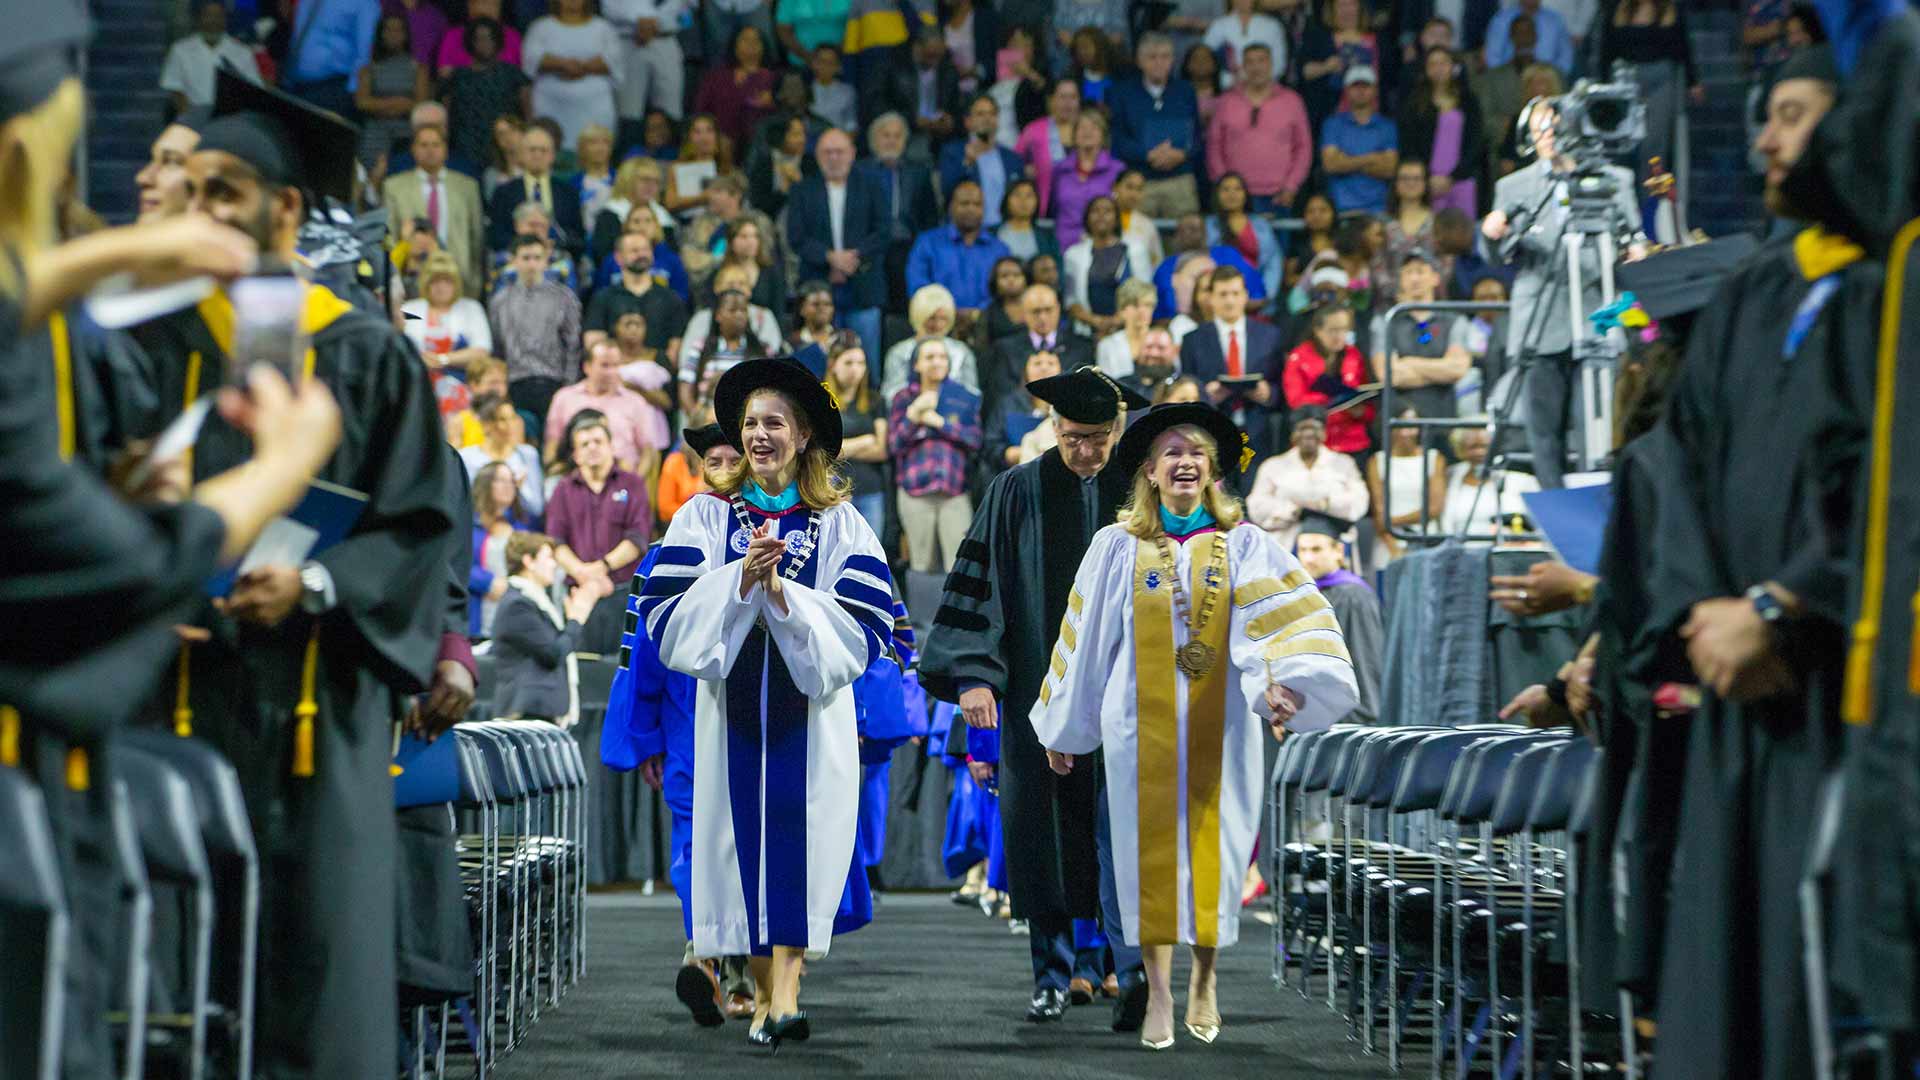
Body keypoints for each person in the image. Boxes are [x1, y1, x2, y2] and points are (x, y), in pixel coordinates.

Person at [124, 70, 457, 1080]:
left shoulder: (360, 354)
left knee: (310, 980)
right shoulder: (147, 343)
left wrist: (315, 587)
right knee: (165, 988)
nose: (201, 211)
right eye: (194, 188)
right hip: (168, 705)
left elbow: (419, 526)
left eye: (227, 191)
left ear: (287, 210)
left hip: (314, 720)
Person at [1033, 402, 1358, 1050]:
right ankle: (1157, 990)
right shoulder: (1115, 546)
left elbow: (1282, 627)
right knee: (1144, 855)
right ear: (1150, 471)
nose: (1184, 462)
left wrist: (1285, 686)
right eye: (1171, 453)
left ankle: (1204, 981)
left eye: (1196, 453)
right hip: (1136, 725)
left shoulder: (1247, 543)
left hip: (1223, 725)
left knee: (1217, 853)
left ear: (1212, 469)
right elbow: (1084, 641)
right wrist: (1064, 728)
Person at [637, 356, 892, 1049]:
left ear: (804, 434)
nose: (758, 435)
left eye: (774, 422)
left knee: (799, 847)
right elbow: (668, 620)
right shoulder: (703, 516)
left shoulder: (842, 525)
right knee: (738, 852)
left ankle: (784, 996)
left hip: (812, 720)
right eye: (749, 423)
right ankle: (764, 996)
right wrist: (740, 583)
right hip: (730, 716)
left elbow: (863, 631)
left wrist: (783, 594)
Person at [920, 367, 1153, 1028]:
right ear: (1054, 428)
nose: (1086, 451)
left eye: (1100, 438)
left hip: (1123, 699)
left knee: (1120, 833)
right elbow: (978, 585)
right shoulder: (1017, 490)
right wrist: (971, 675)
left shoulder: (1138, 494)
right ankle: (1051, 975)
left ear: (1119, 429)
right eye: (1075, 437)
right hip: (1034, 696)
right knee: (1042, 835)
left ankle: (1118, 967)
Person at [604, 421, 758, 1025]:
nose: (722, 469)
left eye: (733, 458)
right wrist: (644, 736)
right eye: (711, 460)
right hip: (685, 718)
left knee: (750, 843)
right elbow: (640, 650)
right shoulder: (670, 549)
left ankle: (743, 968)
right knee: (695, 842)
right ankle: (706, 957)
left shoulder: (782, 538)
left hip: (752, 716)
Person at [1479, 100, 1641, 488]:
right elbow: (1496, 256)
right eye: (1539, 131)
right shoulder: (1513, 186)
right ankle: (1554, 504)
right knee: (1544, 430)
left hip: (1599, 311)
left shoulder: (1614, 179)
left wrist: (1635, 251)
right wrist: (1490, 233)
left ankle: (1601, 500)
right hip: (1540, 318)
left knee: (1600, 423)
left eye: (1553, 128)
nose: (1547, 137)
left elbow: (1633, 238)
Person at [788, 128, 888, 364]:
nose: (834, 158)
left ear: (852, 153)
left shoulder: (871, 185)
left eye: (839, 152)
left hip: (863, 286)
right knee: (815, 365)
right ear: (818, 156)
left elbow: (884, 230)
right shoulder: (803, 190)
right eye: (827, 152)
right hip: (817, 285)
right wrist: (829, 257)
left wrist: (854, 256)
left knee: (864, 362)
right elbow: (796, 237)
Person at [890, 338, 984, 574]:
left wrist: (938, 422)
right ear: (916, 365)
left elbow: (975, 440)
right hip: (914, 491)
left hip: (954, 490)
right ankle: (922, 613)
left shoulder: (962, 397)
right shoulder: (903, 398)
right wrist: (914, 415)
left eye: (942, 357)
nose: (937, 362)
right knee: (921, 567)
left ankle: (955, 613)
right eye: (930, 357)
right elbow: (894, 444)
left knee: (961, 567)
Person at [492, 530, 598, 721]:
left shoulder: (537, 602)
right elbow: (552, 653)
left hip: (541, 711)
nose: (554, 564)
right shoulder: (518, 604)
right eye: (548, 557)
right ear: (529, 561)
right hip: (527, 713)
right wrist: (576, 619)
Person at [1180, 267, 1280, 467]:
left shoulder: (1270, 336)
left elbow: (1281, 384)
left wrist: (1269, 393)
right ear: (1211, 298)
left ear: (1245, 296)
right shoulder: (1193, 340)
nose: (1230, 301)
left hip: (1257, 429)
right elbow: (1186, 384)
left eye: (1235, 293)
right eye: (1223, 294)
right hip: (1212, 429)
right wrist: (1204, 395)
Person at [1292, 509, 1382, 724]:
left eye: (1316, 549)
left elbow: (1364, 664)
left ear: (1338, 551)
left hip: (1343, 722)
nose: (1308, 558)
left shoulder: (1354, 597)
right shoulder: (1302, 593)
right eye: (1302, 550)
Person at [1245, 404, 1371, 549]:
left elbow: (1360, 500)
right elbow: (1256, 506)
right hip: (1285, 542)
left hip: (1334, 541)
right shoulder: (1273, 466)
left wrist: (1325, 504)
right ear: (1293, 434)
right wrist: (1293, 510)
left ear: (1324, 433)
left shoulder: (1344, 463)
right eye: (1302, 428)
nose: (1308, 434)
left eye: (1315, 428)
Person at [1205, 44, 1310, 216]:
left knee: (1277, 244)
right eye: (1250, 62)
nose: (1256, 67)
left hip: (1280, 195)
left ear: (1271, 64)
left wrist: (1292, 185)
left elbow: (1303, 147)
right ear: (1243, 67)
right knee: (1234, 244)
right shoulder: (1226, 101)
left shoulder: (1292, 101)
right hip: (1235, 196)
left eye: (1261, 60)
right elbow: (1214, 146)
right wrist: (1223, 186)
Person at [489, 233, 582, 428]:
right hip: (514, 382)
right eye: (525, 258)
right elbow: (497, 347)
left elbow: (573, 345)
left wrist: (569, 387)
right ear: (513, 260)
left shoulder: (564, 297)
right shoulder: (500, 301)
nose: (531, 264)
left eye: (537, 258)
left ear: (546, 261)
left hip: (553, 381)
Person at [1370, 248, 1471, 426]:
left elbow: (1457, 369)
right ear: (1400, 280)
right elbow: (1389, 375)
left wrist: (1409, 362)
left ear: (1435, 278)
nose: (1414, 278)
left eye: (1421, 271)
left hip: (1443, 418)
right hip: (1398, 423)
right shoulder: (1385, 320)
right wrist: (1440, 369)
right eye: (1408, 272)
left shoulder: (1454, 320)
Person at [1107, 33, 1202, 219]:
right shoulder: (1122, 93)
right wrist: (1147, 154)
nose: (1159, 62)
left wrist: (1181, 153)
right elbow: (1117, 138)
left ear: (1173, 60)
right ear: (1140, 61)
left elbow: (1197, 135)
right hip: (1139, 181)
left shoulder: (1185, 91)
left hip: (1180, 180)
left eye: (1165, 56)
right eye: (1152, 57)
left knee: (1185, 240)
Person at [385, 123, 486, 294]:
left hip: (460, 278)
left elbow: (476, 238)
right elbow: (390, 235)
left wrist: (475, 283)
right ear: (413, 149)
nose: (430, 150)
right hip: (412, 279)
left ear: (445, 149)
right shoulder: (394, 187)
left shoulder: (467, 186)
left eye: (436, 145)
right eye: (423, 145)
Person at [546, 340, 669, 475]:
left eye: (616, 365)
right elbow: (552, 444)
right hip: (573, 483)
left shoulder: (636, 402)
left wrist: (634, 485)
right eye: (605, 365)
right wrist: (552, 474)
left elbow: (647, 451)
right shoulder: (564, 398)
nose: (611, 372)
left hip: (622, 481)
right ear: (587, 367)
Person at [906, 180, 1014, 324]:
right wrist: (948, 312)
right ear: (951, 207)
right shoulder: (927, 243)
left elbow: (1006, 291)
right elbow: (918, 287)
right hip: (938, 324)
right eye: (964, 203)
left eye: (977, 204)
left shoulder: (1000, 249)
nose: (971, 209)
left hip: (989, 326)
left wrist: (978, 314)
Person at [1399, 46, 1484, 220]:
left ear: (1453, 67)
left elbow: (1475, 140)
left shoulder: (1468, 100)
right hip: (1428, 181)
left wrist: (1454, 176)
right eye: (1433, 64)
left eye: (1443, 63)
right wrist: (1427, 177)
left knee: (1463, 231)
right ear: (1426, 69)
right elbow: (1409, 144)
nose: (1438, 68)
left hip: (1462, 178)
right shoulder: (1415, 103)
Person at [523, 0, 621, 150]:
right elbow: (531, 59)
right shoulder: (541, 27)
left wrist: (583, 68)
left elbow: (613, 59)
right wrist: (562, 64)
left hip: (595, 105)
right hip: (551, 105)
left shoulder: (603, 28)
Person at [985, 283, 1096, 408]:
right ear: (1024, 313)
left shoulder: (1082, 348)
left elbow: (1087, 395)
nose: (1043, 317)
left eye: (1048, 310)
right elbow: (1001, 397)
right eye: (1036, 311)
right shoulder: (1004, 349)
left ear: (1058, 309)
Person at [585, 230, 689, 361]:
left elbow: (676, 348)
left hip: (660, 375)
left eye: (646, 249)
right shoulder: (603, 298)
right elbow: (593, 344)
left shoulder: (671, 299)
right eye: (634, 251)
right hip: (616, 373)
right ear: (618, 258)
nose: (642, 254)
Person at [822, 334, 889, 537]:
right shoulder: (821, 401)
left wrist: (840, 448)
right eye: (848, 362)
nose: (855, 369)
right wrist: (865, 441)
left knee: (869, 556)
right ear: (833, 364)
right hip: (831, 490)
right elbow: (820, 451)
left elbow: (882, 450)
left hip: (870, 489)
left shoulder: (875, 400)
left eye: (860, 363)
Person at [487, 122, 587, 254]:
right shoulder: (504, 192)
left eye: (543, 150)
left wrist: (555, 244)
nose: (537, 155)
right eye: (532, 150)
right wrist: (524, 247)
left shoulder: (568, 193)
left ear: (553, 156)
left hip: (558, 260)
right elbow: (495, 236)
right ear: (521, 154)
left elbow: (578, 237)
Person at [1063, 195, 1153, 339]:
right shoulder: (1073, 254)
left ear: (1117, 218)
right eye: (1095, 211)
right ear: (1086, 218)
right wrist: (1095, 321)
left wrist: (1117, 320)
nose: (1101, 216)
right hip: (1087, 332)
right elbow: (1071, 300)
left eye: (1108, 211)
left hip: (1128, 331)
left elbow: (1145, 293)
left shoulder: (1136, 250)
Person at [1366, 406, 1445, 564]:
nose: (1405, 432)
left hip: (1426, 539)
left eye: (1411, 425)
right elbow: (1379, 514)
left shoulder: (1434, 458)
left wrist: (1392, 521)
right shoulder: (1377, 461)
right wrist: (1395, 549)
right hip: (1388, 542)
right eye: (1400, 426)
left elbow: (1434, 509)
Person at [882, 283, 984, 400]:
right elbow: (890, 395)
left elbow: (973, 394)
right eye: (932, 318)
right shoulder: (899, 353)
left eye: (943, 318)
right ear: (919, 316)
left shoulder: (962, 351)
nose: (938, 324)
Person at [939, 95, 1027, 229]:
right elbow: (947, 192)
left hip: (1004, 231)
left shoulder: (1012, 159)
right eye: (980, 114)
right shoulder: (953, 153)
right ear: (968, 121)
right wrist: (967, 164)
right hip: (967, 233)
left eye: (992, 114)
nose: (987, 118)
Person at [161, 0, 263, 114]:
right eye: (208, 15)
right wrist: (190, 120)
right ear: (198, 18)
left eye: (218, 16)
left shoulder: (243, 53)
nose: (213, 21)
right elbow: (175, 90)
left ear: (225, 19)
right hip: (193, 118)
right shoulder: (180, 50)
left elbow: (253, 90)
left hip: (231, 120)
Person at [602, 0, 688, 135]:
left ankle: (670, 153)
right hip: (630, 39)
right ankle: (629, 152)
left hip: (665, 38)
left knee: (671, 109)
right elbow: (609, 7)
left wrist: (655, 20)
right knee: (628, 111)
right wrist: (640, 20)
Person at [1321, 65, 1398, 215]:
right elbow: (1330, 165)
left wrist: (1347, 161)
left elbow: (1389, 169)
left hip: (1379, 209)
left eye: (1366, 86)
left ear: (1375, 90)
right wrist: (1372, 158)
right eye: (1355, 86)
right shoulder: (1333, 124)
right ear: (1346, 90)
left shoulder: (1387, 126)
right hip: (1340, 208)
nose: (1361, 91)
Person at [1439, 420, 1538, 537]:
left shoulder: (1519, 477)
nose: (1480, 452)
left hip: (1507, 549)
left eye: (1485, 446)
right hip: (1461, 550)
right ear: (1460, 449)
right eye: (1473, 447)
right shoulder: (1451, 475)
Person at [355, 13, 428, 168]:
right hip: (375, 134)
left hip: (407, 133)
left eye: (398, 30)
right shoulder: (368, 69)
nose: (393, 34)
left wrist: (379, 105)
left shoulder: (418, 69)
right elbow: (362, 103)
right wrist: (400, 102)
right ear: (380, 34)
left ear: (406, 35)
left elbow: (421, 105)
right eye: (388, 29)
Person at [461, 392, 548, 520]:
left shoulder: (528, 454)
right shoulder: (467, 458)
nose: (510, 426)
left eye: (512, 418)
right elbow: (465, 508)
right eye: (502, 420)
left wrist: (520, 489)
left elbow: (537, 508)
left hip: (520, 530)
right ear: (486, 425)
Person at [1050, 110, 1125, 251]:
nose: (1087, 132)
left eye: (1094, 127)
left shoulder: (1117, 170)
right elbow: (1053, 207)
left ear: (1103, 135)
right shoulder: (1060, 170)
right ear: (1074, 135)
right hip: (1064, 244)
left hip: (1104, 244)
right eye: (1082, 127)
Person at [695, 24, 777, 151]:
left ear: (764, 46)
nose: (751, 45)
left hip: (759, 145)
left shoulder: (773, 79)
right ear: (734, 46)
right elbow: (701, 111)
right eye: (745, 40)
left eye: (756, 41)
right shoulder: (716, 77)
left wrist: (771, 102)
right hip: (718, 143)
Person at [1205, 172, 1283, 303]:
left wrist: (1266, 297)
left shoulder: (1261, 225)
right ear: (1217, 195)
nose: (1231, 194)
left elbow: (1273, 264)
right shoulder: (1208, 225)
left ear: (1245, 194)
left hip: (1257, 298)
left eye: (1237, 189)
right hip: (1219, 297)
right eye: (1225, 189)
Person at [1015, 77, 1081, 218]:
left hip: (1082, 209)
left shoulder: (1088, 130)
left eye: (1073, 97)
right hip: (1046, 210)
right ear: (1051, 101)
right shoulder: (1033, 130)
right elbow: (1014, 162)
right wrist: (1025, 169)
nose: (1068, 103)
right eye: (1062, 97)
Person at [662, 113, 737, 216]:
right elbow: (670, 203)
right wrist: (702, 198)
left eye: (709, 131)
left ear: (717, 136)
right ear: (689, 137)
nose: (704, 137)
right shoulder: (676, 168)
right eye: (697, 132)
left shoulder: (727, 169)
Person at [1205, 0, 1288, 86]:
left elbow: (1279, 62)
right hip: (1226, 86)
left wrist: (1260, 80)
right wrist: (1227, 80)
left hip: (1265, 86)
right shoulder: (1218, 25)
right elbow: (1206, 58)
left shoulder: (1272, 25)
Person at [1483, 0, 1574, 77]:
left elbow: (1565, 55)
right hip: (1510, 76)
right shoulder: (1502, 19)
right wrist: (1502, 76)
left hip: (1547, 78)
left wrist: (1555, 76)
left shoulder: (1554, 19)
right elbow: (1492, 55)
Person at [1096, 278, 1159, 384]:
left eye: (1148, 305)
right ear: (1122, 310)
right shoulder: (1107, 346)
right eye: (1135, 305)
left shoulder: (1161, 341)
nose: (1142, 311)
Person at [437, 0, 524, 75]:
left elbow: (521, 79)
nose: (486, 9)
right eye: (481, 2)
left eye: (493, 4)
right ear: (469, 6)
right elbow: (445, 76)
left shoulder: (513, 36)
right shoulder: (453, 36)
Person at [995, 177, 1060, 264]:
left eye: (1029, 195)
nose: (1023, 200)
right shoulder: (993, 234)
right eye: (1017, 195)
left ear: (1037, 201)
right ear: (1006, 200)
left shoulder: (1047, 237)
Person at [807, 43, 857, 133]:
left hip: (838, 142)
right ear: (813, 64)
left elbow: (851, 125)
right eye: (822, 62)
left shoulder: (848, 91)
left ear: (838, 67)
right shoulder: (805, 89)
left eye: (831, 63)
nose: (826, 67)